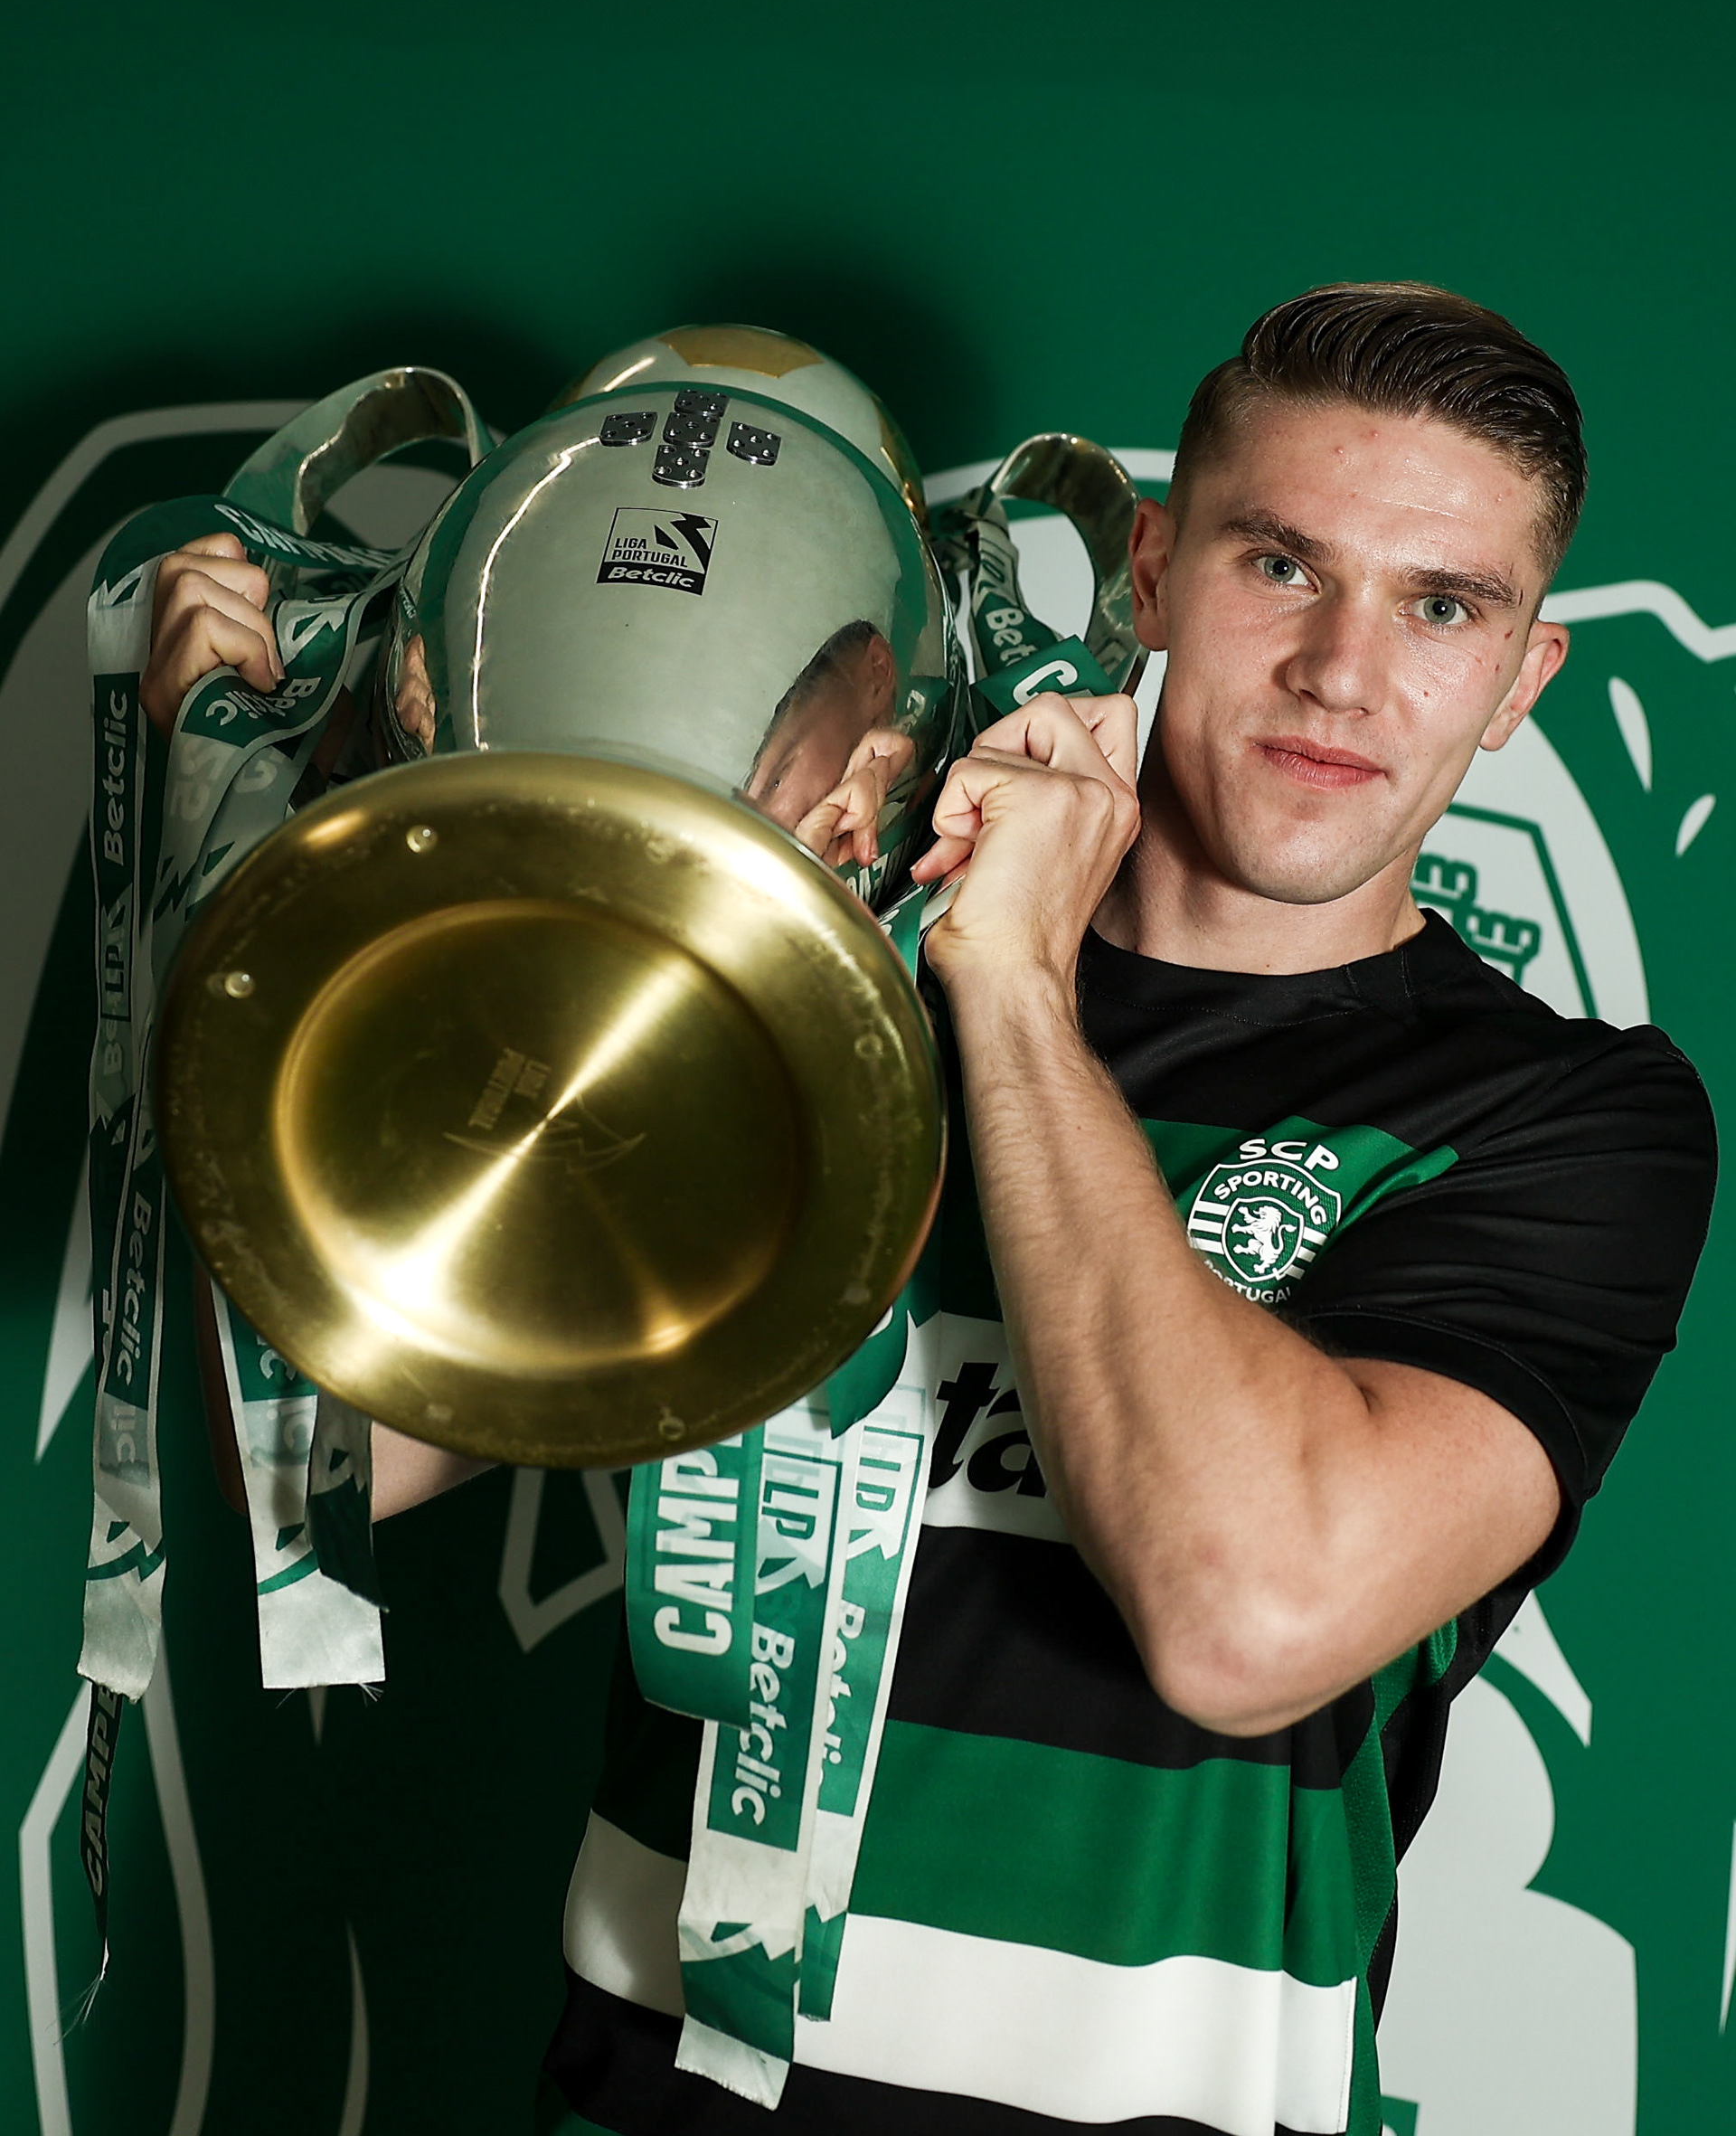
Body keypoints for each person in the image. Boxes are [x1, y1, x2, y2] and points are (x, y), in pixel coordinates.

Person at [140, 283, 1716, 2136]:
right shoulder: (808, 987)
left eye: (1442, 607)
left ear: (1521, 676)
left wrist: (1018, 988)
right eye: (1281, 565)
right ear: (1151, 572)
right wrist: (278, 853)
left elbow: (1247, 1616)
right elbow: (330, 1453)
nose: (1343, 671)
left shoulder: (1562, 1118)